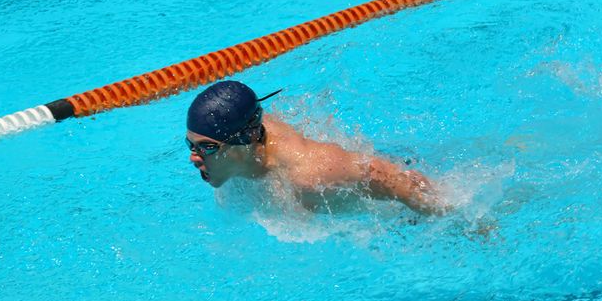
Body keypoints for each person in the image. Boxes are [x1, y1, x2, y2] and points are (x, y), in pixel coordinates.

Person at [185, 81, 450, 215]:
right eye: (191, 144)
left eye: (206, 148)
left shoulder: (310, 176)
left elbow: (386, 175)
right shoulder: (242, 144)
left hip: (402, 186)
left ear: (243, 143)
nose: (193, 157)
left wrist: (452, 216)